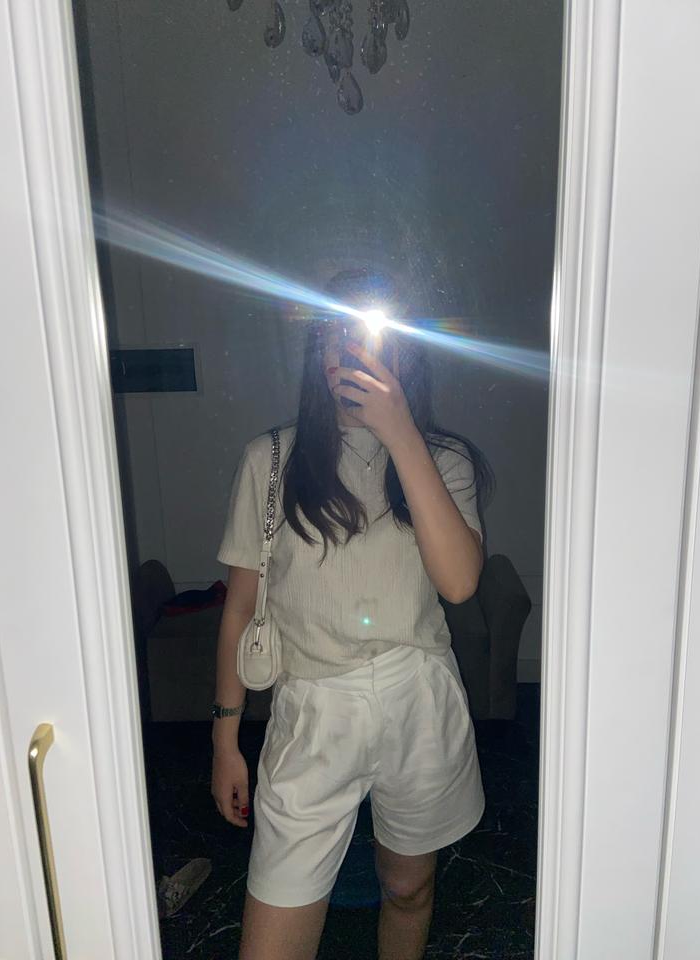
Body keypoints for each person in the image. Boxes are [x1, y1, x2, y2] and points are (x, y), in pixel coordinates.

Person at [211, 269, 493, 960]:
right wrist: (224, 740)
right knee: (273, 932)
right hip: (312, 706)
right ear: (317, 352)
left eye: (368, 332)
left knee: (408, 889)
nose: (350, 348)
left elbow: (459, 583)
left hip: (417, 694)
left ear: (403, 350)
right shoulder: (269, 460)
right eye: (334, 332)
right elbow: (240, 607)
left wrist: (401, 435)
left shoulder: (444, 460)